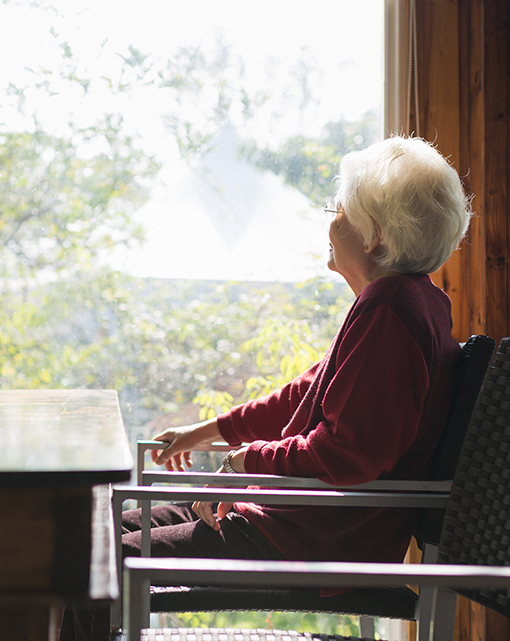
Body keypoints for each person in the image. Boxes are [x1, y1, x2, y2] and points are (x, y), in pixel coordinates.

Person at [61, 135, 472, 641]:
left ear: (374, 235)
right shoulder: (407, 302)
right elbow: (305, 395)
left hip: (311, 537)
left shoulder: (391, 309)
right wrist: (208, 430)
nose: (331, 219)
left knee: (99, 564)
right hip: (295, 521)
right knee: (97, 536)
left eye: (338, 208)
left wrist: (242, 463)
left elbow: (349, 455)